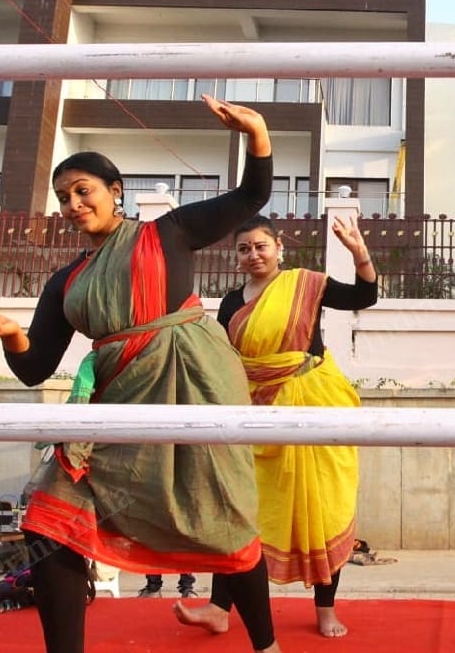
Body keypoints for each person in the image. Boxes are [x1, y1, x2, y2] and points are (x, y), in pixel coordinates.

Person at [0, 94, 283, 653]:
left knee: (221, 519)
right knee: (48, 523)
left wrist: (257, 133)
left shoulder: (167, 233)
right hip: (117, 403)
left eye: (85, 190)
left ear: (115, 191)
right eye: (65, 197)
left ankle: (266, 646)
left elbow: (253, 195)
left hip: (195, 385)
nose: (75, 203)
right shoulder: (66, 281)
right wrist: (8, 334)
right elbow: (36, 369)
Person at [175, 212, 377, 638]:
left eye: (260, 246)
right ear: (237, 256)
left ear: (279, 247)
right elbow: (227, 363)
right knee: (242, 511)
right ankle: (218, 608)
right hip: (255, 414)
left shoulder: (306, 283)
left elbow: (364, 295)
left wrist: (359, 253)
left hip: (315, 405)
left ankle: (325, 609)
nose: (253, 255)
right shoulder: (231, 303)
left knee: (322, 507)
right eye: (244, 248)